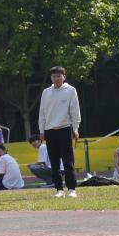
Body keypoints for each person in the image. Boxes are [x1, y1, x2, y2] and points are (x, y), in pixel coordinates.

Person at [38, 66, 81, 198]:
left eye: (59, 76)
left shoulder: (70, 90)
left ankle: (72, 189)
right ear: (51, 78)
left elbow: (75, 111)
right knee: (54, 162)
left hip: (65, 128)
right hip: (49, 131)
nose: (56, 79)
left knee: (68, 161)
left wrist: (75, 128)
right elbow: (42, 113)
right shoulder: (46, 92)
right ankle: (59, 190)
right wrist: (41, 130)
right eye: (54, 76)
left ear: (64, 77)